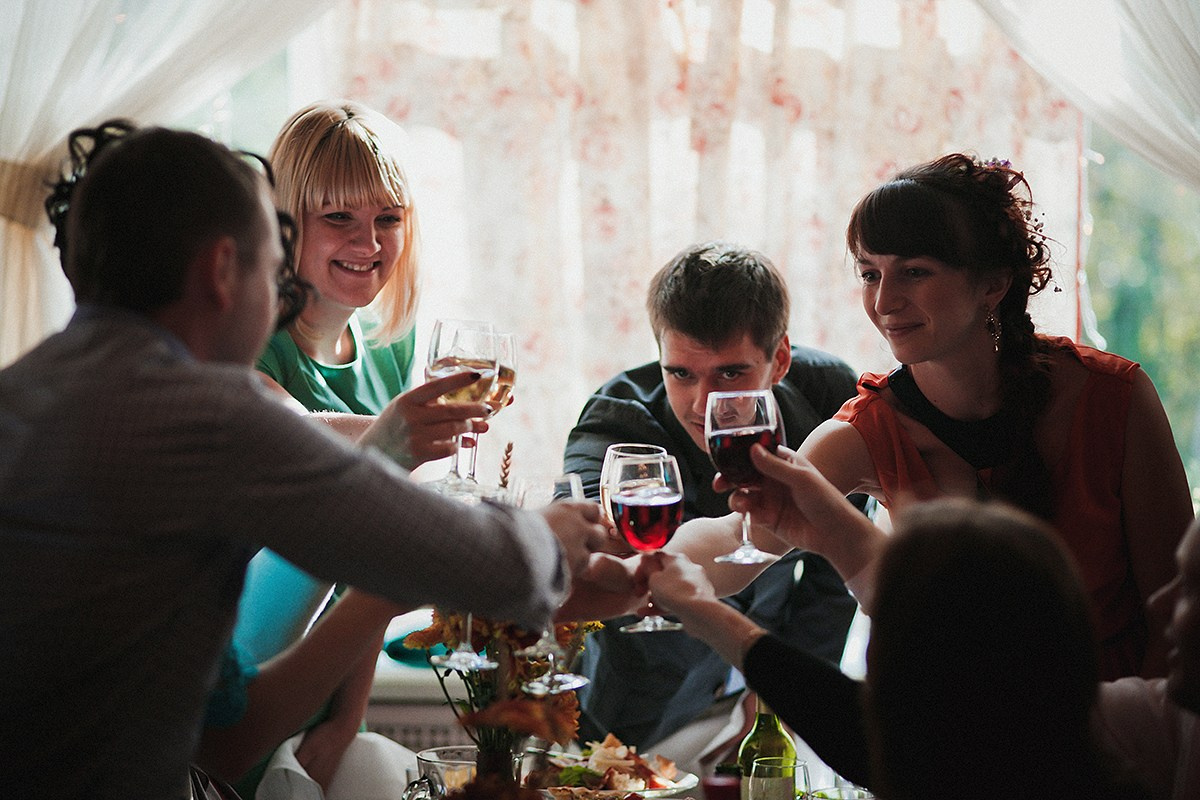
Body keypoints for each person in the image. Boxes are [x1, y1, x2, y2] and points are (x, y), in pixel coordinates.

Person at [0, 119, 611, 800]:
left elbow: (226, 739)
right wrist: (553, 534)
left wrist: (377, 595)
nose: (279, 303)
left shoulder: (21, 392)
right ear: (221, 270)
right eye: (274, 275)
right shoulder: (209, 414)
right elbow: (498, 564)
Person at [658, 154, 1190, 680]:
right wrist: (641, 566)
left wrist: (1129, 727)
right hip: (956, 723)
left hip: (1126, 716)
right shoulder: (866, 432)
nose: (884, 301)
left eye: (914, 272)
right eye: (870, 274)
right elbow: (737, 540)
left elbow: (1176, 606)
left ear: (993, 283)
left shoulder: (1113, 397)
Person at [204, 100, 463, 797]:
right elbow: (290, 436)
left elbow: (370, 555)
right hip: (243, 676)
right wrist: (399, 435)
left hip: (327, 684)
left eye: (388, 218)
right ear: (288, 224)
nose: (368, 241)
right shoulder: (251, 340)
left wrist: (349, 718)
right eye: (339, 216)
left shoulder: (388, 347)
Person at [562, 241, 864, 762]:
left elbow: (833, 575)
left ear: (779, 360)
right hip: (637, 715)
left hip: (758, 694)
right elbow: (591, 545)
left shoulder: (829, 397)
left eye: (730, 374)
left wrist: (779, 694)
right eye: (680, 373)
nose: (703, 404)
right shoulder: (617, 423)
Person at [648, 497, 1155, 800]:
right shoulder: (1091, 735)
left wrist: (697, 606)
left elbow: (851, 724)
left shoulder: (937, 762)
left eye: (881, 622)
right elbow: (842, 716)